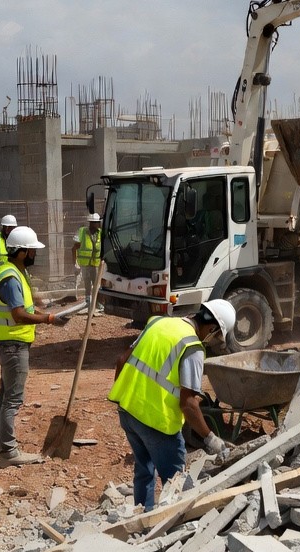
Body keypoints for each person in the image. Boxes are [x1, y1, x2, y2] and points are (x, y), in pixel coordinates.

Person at [107, 300, 236, 510]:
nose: (212, 341)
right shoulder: (192, 347)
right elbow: (188, 405)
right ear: (211, 329)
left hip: (128, 411)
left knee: (144, 469)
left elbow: (122, 361)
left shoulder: (157, 323)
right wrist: (210, 438)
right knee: (175, 481)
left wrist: (124, 400)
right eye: (216, 336)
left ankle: (142, 518)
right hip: (158, 422)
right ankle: (174, 528)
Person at [0, 226, 69, 467]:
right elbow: (19, 314)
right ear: (22, 252)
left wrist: (47, 311)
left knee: (5, 394)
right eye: (32, 250)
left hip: (8, 343)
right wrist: (48, 319)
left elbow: (27, 307)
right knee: (12, 399)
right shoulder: (12, 277)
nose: (35, 254)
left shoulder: (13, 271)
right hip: (13, 345)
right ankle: (8, 452)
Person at [73, 212, 103, 311]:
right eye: (96, 222)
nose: (98, 224)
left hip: (95, 264)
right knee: (87, 282)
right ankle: (88, 301)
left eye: (98, 222)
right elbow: (74, 249)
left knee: (96, 284)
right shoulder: (82, 232)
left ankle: (97, 302)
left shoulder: (100, 233)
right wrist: (75, 264)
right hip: (85, 264)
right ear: (91, 223)